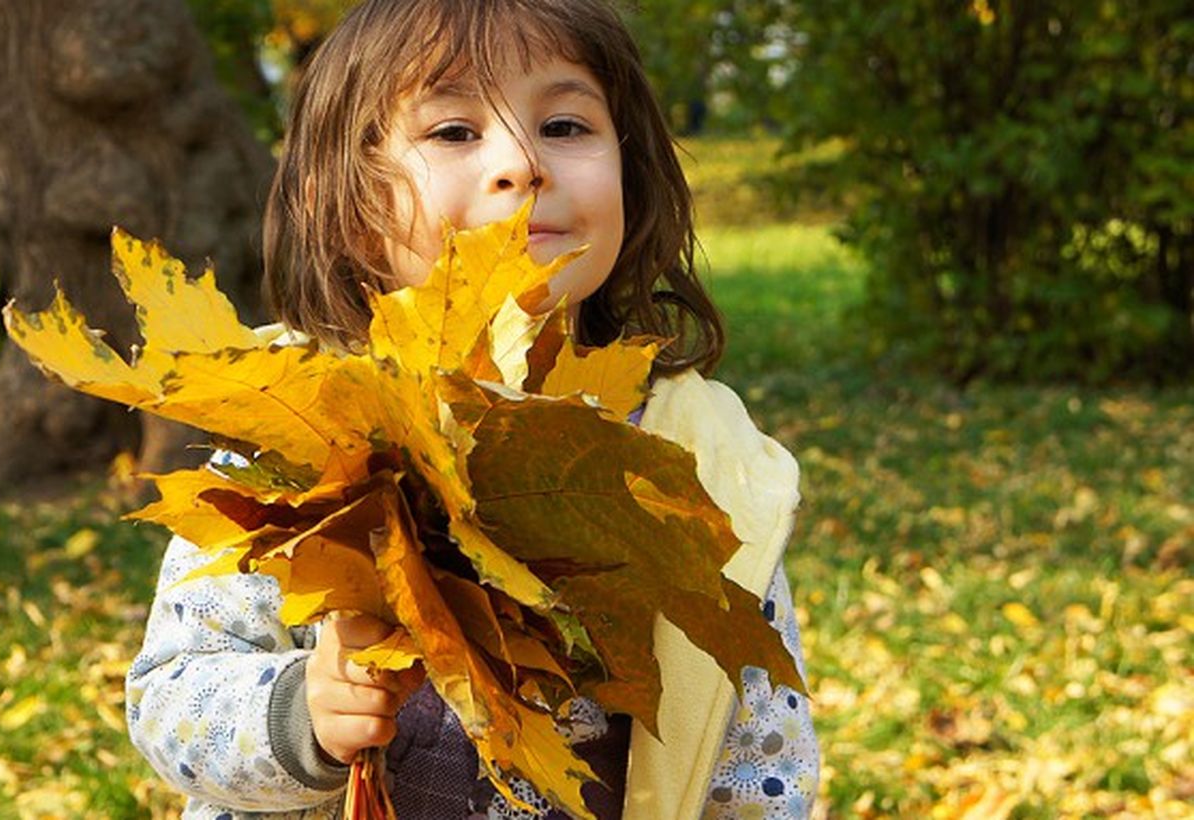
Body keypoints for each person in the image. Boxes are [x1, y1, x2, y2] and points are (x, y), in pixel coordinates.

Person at [126, 1, 819, 817]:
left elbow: (759, 757)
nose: (523, 164)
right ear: (344, 199)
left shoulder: (696, 459)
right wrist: (300, 715)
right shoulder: (303, 433)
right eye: (454, 131)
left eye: (565, 125)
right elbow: (171, 698)